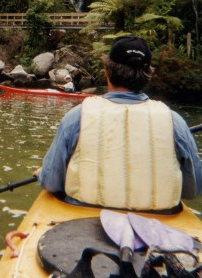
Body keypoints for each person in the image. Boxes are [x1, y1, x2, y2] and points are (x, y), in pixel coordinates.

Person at [36, 36, 202, 213]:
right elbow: (193, 190)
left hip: (83, 216)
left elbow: (51, 182)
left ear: (106, 71)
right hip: (160, 220)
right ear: (148, 73)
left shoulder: (76, 117)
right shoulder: (175, 121)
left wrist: (42, 174)